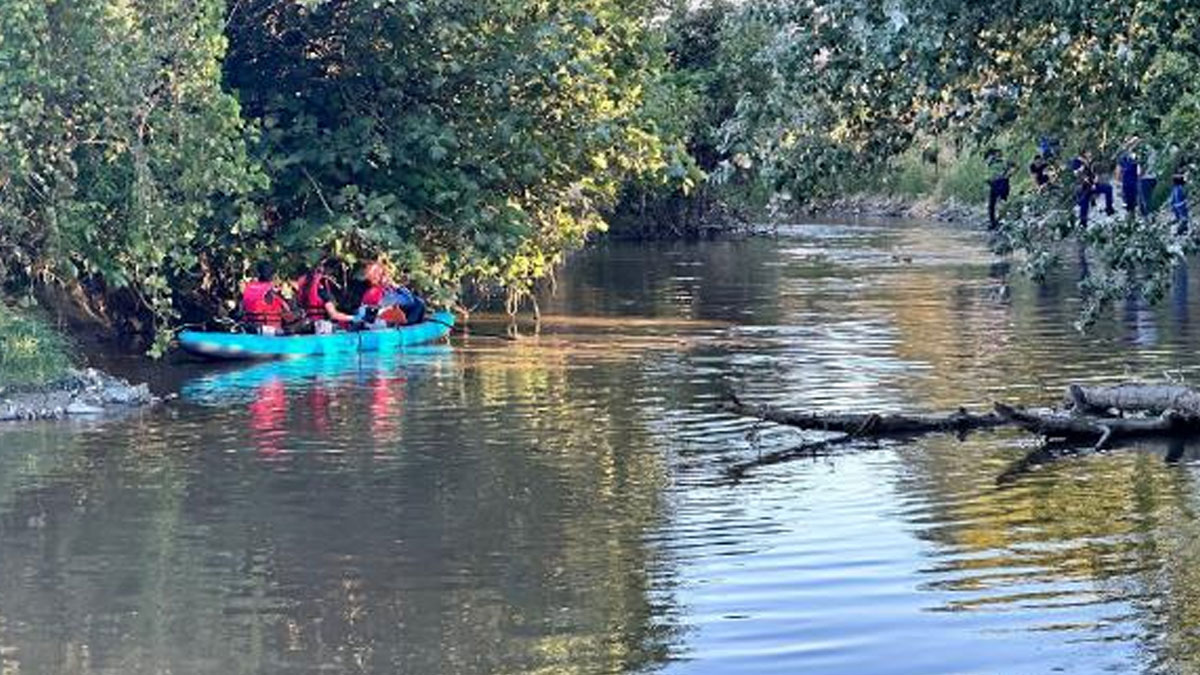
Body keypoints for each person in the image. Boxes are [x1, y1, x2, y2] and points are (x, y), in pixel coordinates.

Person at [296, 260, 354, 327]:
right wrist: (354, 318)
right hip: (322, 326)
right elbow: (333, 315)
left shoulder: (305, 288)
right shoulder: (322, 289)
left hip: (308, 324)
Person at [240, 260, 289, 334]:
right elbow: (287, 309)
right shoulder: (271, 290)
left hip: (249, 327)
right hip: (267, 329)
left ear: (258, 273)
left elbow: (242, 308)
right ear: (273, 275)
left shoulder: (249, 287)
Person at [985, 148, 1013, 230]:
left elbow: (1015, 167)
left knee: (1002, 203)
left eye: (998, 153)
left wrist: (1007, 175)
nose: (996, 155)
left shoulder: (1005, 161)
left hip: (1002, 183)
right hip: (993, 184)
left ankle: (1000, 221)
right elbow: (988, 171)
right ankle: (993, 222)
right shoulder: (990, 162)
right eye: (995, 154)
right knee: (992, 205)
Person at [1118, 147, 1140, 215]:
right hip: (1128, 178)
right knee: (1129, 194)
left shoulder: (1135, 156)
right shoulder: (1123, 157)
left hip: (1132, 178)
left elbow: (1138, 167)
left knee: (1132, 194)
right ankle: (1129, 208)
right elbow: (1119, 168)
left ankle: (1131, 209)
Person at [1140, 144, 1160, 217]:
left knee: (1145, 199)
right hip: (1155, 177)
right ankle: (1154, 215)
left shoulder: (1145, 149)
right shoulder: (1157, 150)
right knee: (1152, 198)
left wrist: (1140, 174)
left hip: (1145, 178)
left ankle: (1147, 217)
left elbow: (1144, 164)